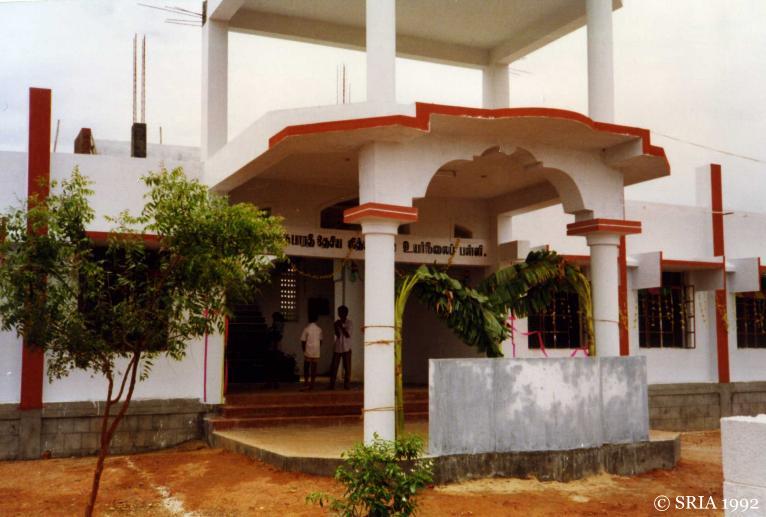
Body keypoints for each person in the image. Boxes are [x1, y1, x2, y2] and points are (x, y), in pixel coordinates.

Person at [329, 305, 352, 390]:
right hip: (338, 347)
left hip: (347, 348)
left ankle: (347, 385)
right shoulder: (337, 322)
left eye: (341, 312)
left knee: (347, 368)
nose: (339, 314)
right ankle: (332, 385)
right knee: (334, 367)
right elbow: (338, 335)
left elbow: (347, 335)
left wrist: (341, 326)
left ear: (346, 313)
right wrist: (335, 327)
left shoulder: (349, 323)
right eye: (339, 312)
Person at [299, 311, 322, 390]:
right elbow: (321, 340)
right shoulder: (319, 329)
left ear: (309, 318)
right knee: (314, 368)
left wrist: (304, 350)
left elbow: (303, 341)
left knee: (306, 367)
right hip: (316, 350)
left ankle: (306, 382)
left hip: (308, 350)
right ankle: (312, 383)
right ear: (316, 319)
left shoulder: (306, 329)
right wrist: (318, 347)